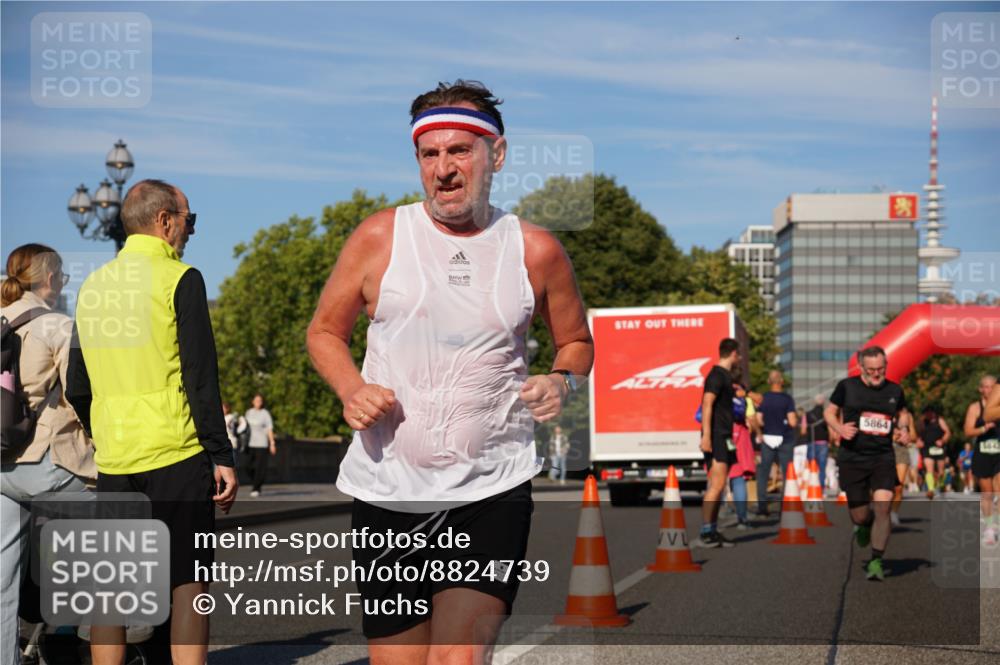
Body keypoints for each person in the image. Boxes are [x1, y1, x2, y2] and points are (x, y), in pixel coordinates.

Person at [305, 80, 592, 663]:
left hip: (492, 486)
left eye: (460, 150)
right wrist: (351, 387)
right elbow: (324, 333)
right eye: (430, 154)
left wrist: (560, 381)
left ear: (497, 155)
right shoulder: (379, 237)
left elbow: (578, 343)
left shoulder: (535, 250)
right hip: (388, 492)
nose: (444, 169)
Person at [66, 179, 238, 665]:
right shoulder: (181, 279)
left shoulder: (93, 287)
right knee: (188, 578)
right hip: (176, 452)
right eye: (189, 220)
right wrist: (221, 456)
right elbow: (201, 378)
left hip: (117, 459)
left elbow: (77, 383)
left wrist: (107, 429)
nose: (190, 231)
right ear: (165, 222)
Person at [1, 245, 97, 665]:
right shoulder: (59, 325)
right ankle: (88, 629)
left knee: (2, 581)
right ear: (52, 279)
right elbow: (80, 394)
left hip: (1, 465)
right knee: (130, 511)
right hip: (45, 463)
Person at [824, 346, 909, 581]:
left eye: (880, 369)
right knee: (860, 515)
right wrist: (839, 428)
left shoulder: (894, 389)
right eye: (871, 369)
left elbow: (902, 413)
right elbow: (829, 413)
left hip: (882, 456)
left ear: (886, 365)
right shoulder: (847, 387)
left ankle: (876, 560)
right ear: (861, 367)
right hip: (853, 457)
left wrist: (903, 429)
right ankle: (864, 525)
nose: (876, 374)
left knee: (883, 506)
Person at [693, 338, 741, 548]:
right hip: (717, 436)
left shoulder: (726, 377)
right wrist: (706, 436)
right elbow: (707, 403)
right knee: (717, 484)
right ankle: (706, 532)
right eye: (738, 355)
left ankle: (712, 530)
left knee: (720, 485)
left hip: (724, 436)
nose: (739, 358)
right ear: (733, 354)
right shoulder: (716, 375)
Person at [755, 370, 797, 517]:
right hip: (785, 439)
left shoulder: (764, 398)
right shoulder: (787, 399)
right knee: (787, 473)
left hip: (767, 438)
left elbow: (759, 419)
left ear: (768, 381)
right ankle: (784, 507)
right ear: (782, 382)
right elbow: (792, 421)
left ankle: (762, 507)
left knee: (763, 473)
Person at [964, 374, 999, 544]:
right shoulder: (975, 408)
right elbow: (968, 431)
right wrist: (984, 428)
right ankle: (990, 528)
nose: (989, 389)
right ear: (980, 389)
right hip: (983, 453)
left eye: (993, 386)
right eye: (986, 386)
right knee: (987, 493)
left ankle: (995, 525)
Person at [727, 378, 756, 530]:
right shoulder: (742, 393)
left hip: (718, 435)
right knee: (738, 479)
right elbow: (751, 417)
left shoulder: (716, 388)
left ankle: (710, 523)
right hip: (738, 437)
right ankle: (742, 519)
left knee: (715, 481)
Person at [243, 393, 277, 497]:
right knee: (247, 466)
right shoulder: (248, 412)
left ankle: (256, 488)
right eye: (256, 400)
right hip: (250, 444)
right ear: (252, 401)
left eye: (260, 401)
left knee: (260, 468)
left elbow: (269, 429)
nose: (258, 402)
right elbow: (244, 427)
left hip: (262, 444)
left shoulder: (265, 413)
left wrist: (272, 443)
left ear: (262, 403)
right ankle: (255, 481)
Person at [890, 408, 917, 527]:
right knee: (885, 485)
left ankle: (894, 512)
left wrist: (906, 437)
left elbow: (914, 437)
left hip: (901, 450)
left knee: (898, 486)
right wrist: (894, 436)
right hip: (885, 449)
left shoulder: (907, 415)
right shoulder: (884, 409)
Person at [918, 406, 951, 498]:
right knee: (929, 469)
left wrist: (943, 440)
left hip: (939, 448)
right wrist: (919, 441)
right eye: (926, 412)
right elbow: (919, 435)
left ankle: (941, 485)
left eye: (930, 412)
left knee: (941, 472)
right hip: (927, 448)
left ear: (933, 413)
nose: (928, 414)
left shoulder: (939, 420)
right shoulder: (922, 422)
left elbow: (948, 432)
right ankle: (931, 490)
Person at [806, 394, 831, 494]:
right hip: (823, 442)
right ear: (823, 402)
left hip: (811, 441)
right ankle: (820, 489)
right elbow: (829, 428)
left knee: (811, 466)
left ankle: (811, 486)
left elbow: (803, 429)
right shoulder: (826, 414)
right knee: (822, 467)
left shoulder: (808, 414)